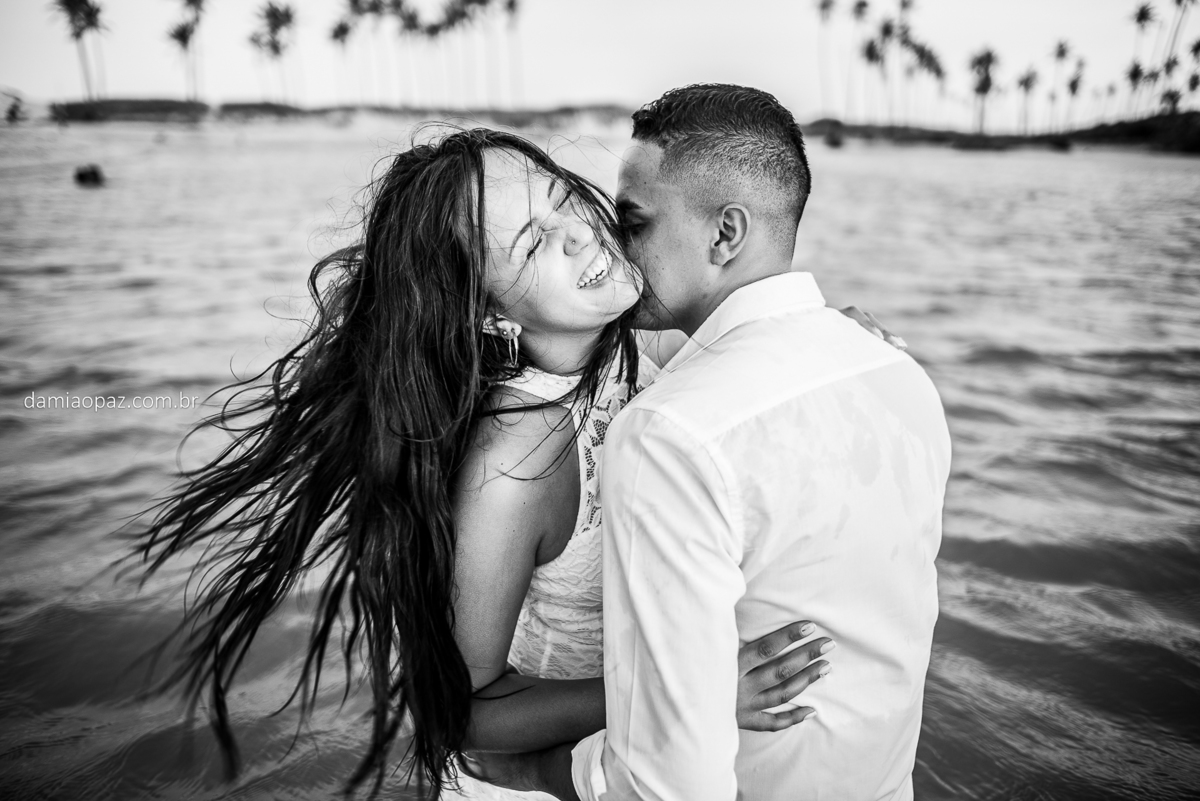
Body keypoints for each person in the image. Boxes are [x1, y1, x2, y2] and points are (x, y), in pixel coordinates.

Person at [130, 128, 845, 800]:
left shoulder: (627, 340)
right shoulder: (514, 465)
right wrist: (685, 692)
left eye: (562, 200)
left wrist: (821, 340)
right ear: (491, 315)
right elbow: (458, 712)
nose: (579, 233)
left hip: (635, 760)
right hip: (534, 780)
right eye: (534, 244)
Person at [500, 84, 953, 800]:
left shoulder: (670, 433)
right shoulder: (899, 374)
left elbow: (666, 785)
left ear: (725, 234)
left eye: (634, 220)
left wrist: (538, 773)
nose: (612, 243)